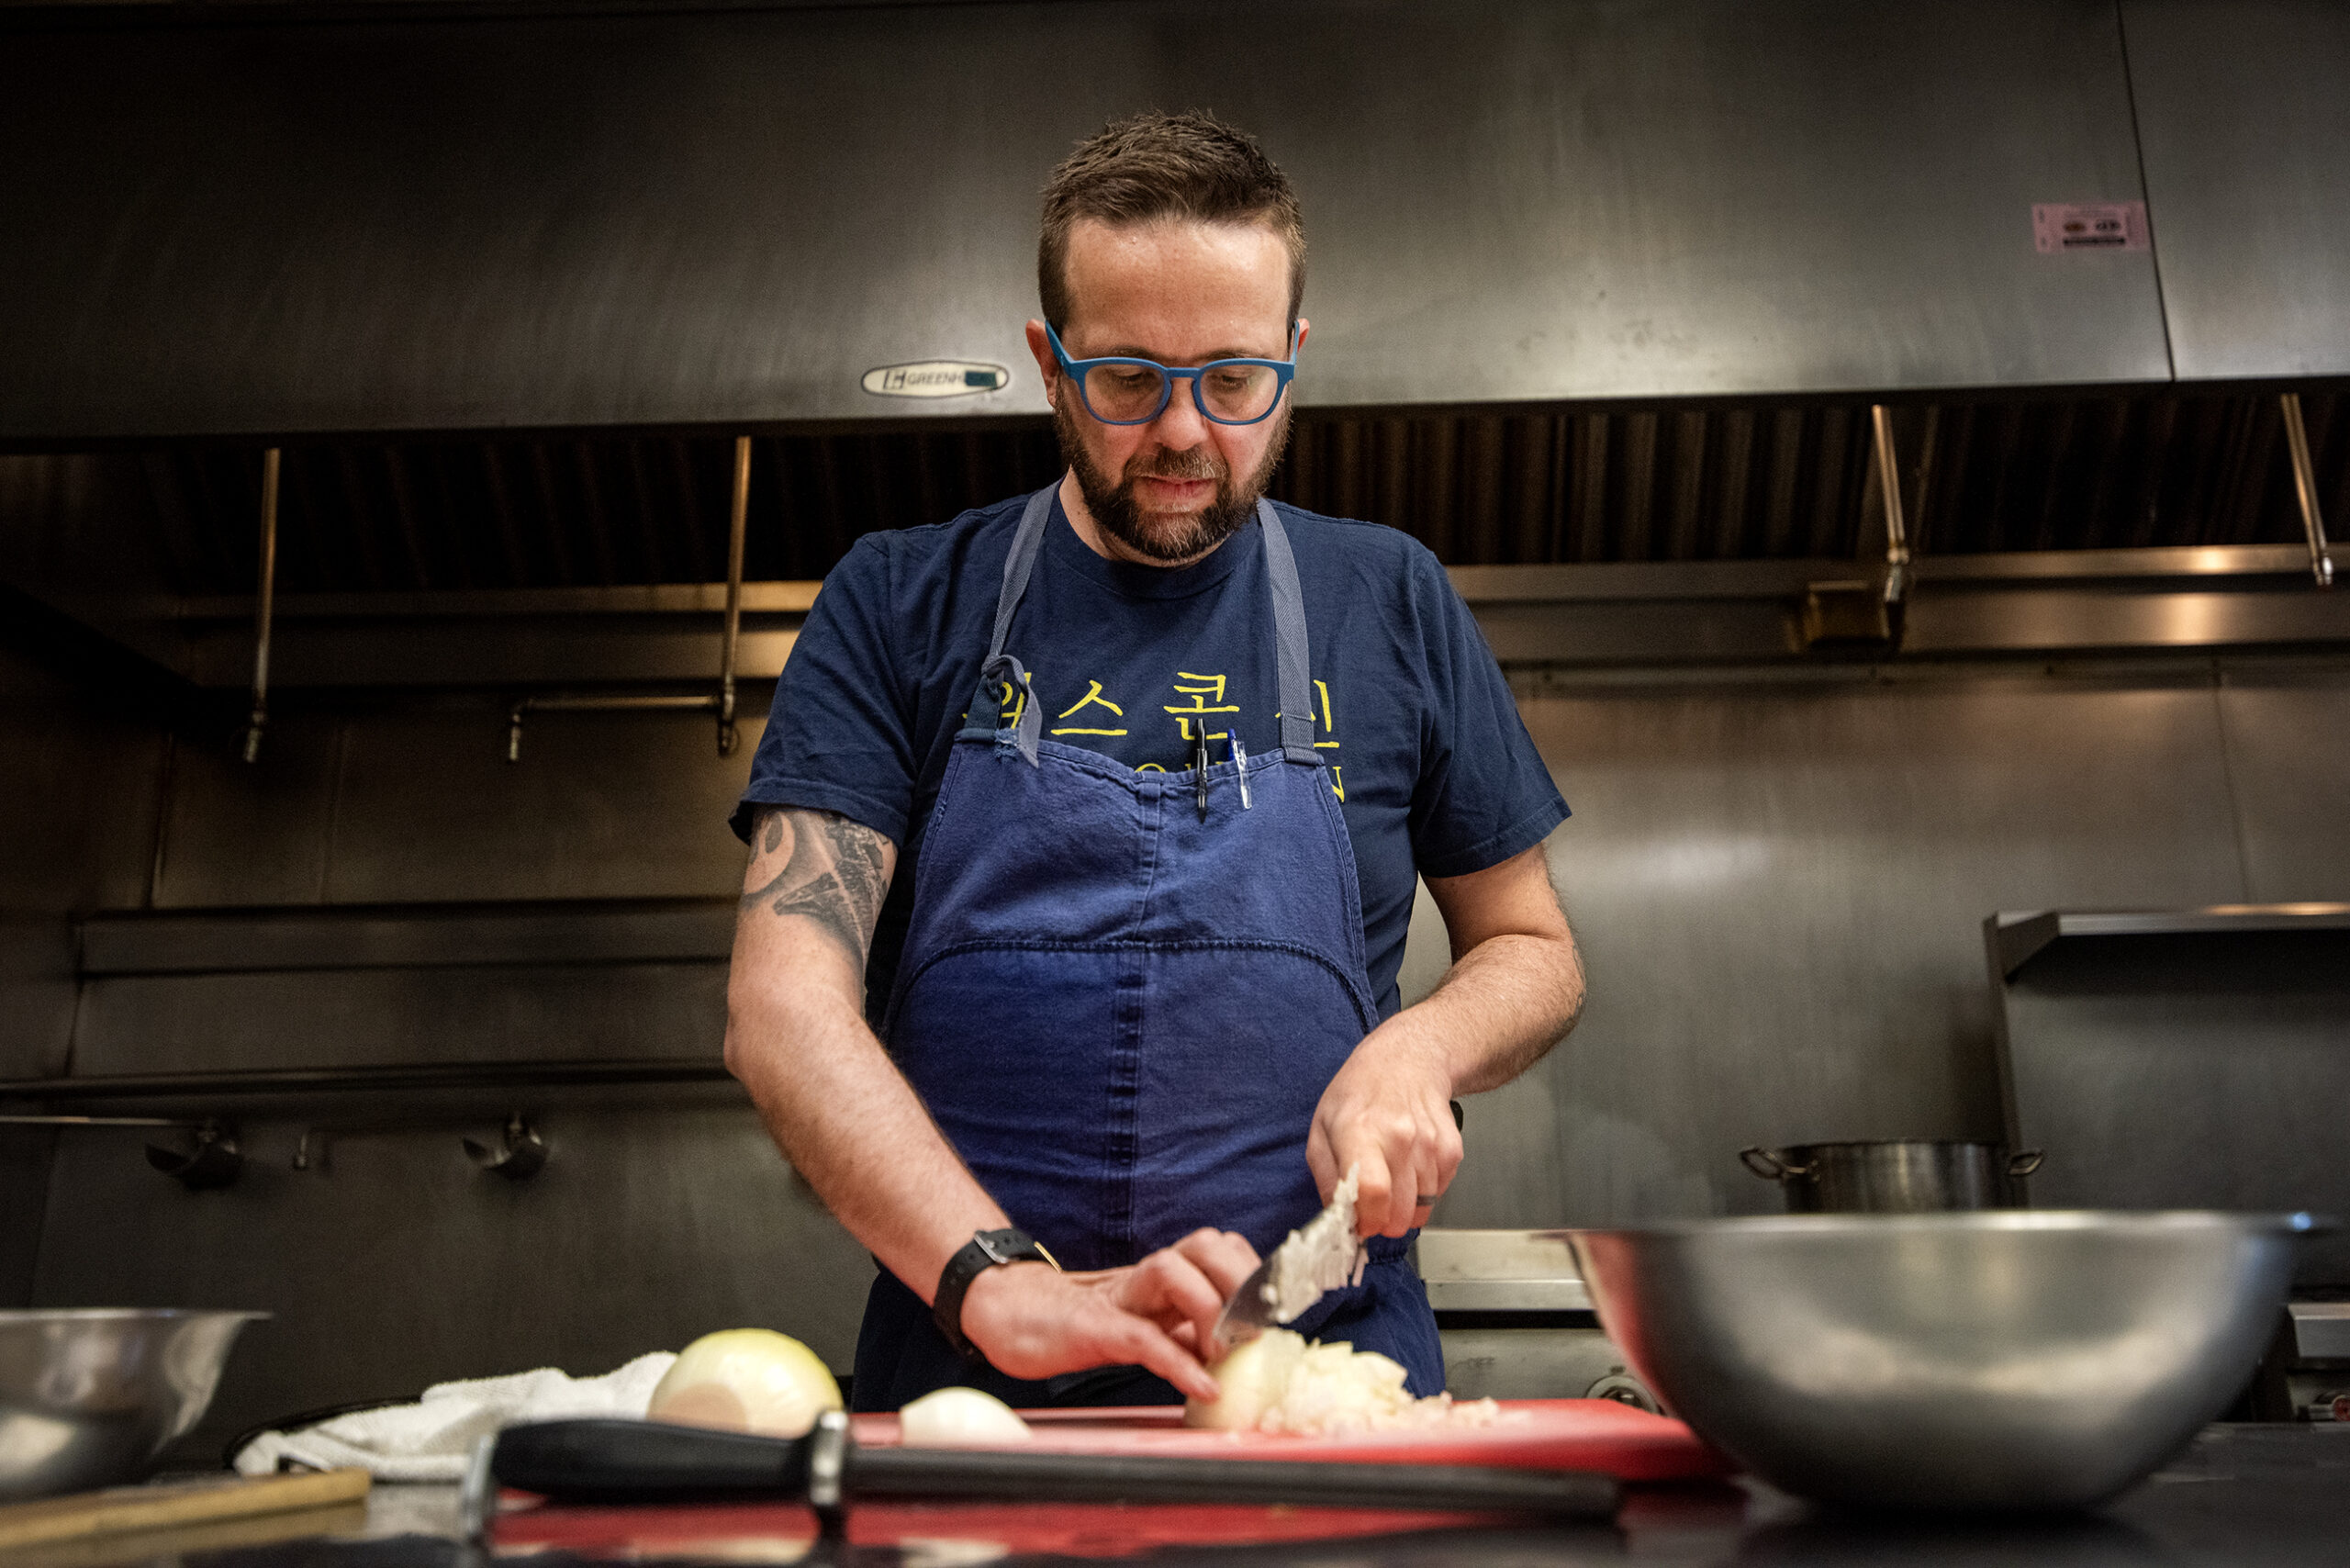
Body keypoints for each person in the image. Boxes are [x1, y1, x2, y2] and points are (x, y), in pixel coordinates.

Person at [725, 111, 1583, 1414]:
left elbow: (1533, 948)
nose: (1183, 432)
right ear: (1049, 364)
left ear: (1294, 356)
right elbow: (781, 1006)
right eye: (1127, 378)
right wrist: (1000, 1282)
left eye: (1234, 380)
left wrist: (1422, 1048)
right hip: (972, 1383)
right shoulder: (898, 601)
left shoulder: (1389, 598)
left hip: (1314, 1380)